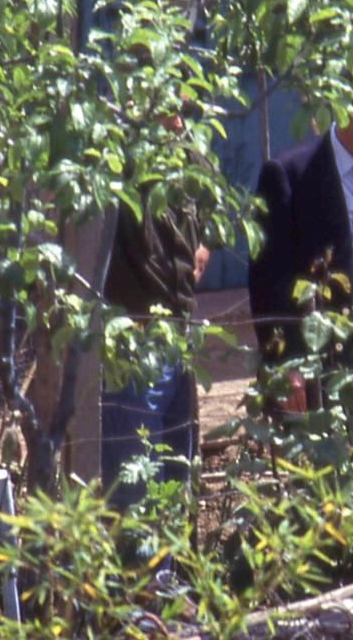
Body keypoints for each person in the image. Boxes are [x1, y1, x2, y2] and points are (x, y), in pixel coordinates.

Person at [247, 70, 353, 412]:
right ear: (344, 109)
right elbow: (268, 284)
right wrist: (286, 365)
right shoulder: (290, 174)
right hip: (317, 365)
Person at [98, 147, 211, 510]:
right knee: (138, 495)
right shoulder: (118, 151)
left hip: (179, 338)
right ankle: (141, 565)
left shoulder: (189, 152)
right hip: (135, 347)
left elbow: (213, 200)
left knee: (176, 488)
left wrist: (205, 244)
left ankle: (170, 567)